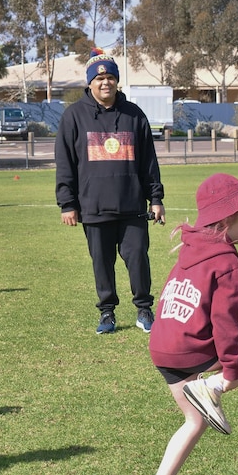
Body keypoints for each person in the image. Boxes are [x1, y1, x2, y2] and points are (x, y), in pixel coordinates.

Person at [137, 173, 238, 475]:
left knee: (195, 420)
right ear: (228, 219)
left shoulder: (192, 246)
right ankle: (212, 387)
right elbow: (224, 326)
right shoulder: (227, 261)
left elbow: (183, 297)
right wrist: (229, 374)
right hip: (190, 349)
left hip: (163, 345)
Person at [56, 48, 166, 334]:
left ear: (117, 81)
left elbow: (148, 162)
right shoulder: (74, 117)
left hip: (132, 207)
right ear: (90, 83)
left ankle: (144, 308)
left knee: (138, 258)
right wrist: (67, 203)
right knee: (102, 264)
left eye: (110, 77)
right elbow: (65, 163)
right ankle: (107, 313)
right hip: (93, 207)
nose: (105, 82)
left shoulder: (134, 115)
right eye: (100, 78)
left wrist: (156, 198)